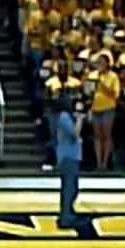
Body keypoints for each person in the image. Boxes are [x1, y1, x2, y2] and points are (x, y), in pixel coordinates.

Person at [54, 94, 85, 229]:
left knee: (73, 188)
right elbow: (75, 134)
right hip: (68, 157)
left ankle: (68, 212)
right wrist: (79, 119)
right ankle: (66, 217)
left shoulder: (66, 117)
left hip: (72, 156)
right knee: (69, 188)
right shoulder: (64, 117)